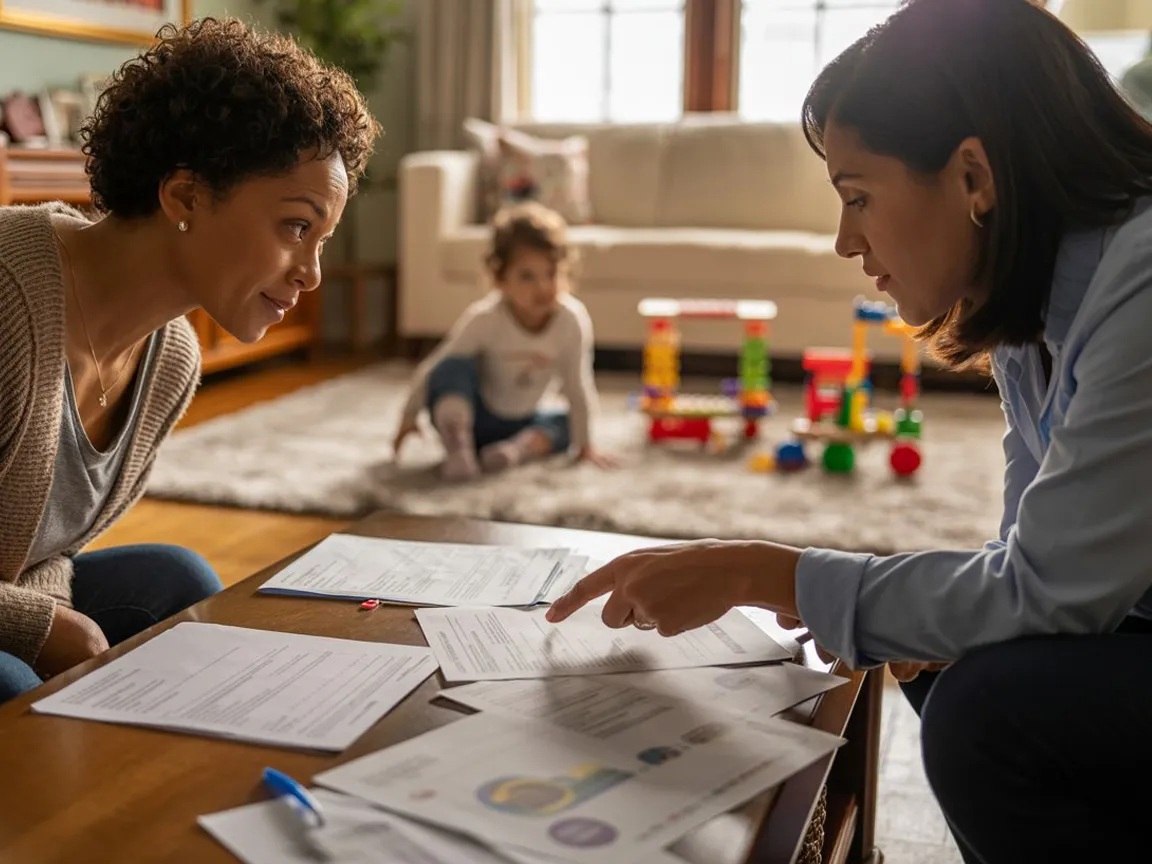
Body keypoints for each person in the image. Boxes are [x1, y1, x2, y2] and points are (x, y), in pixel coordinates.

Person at [547, 0, 1152, 860]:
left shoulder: (1142, 278)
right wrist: (889, 612)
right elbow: (1030, 556)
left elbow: (1049, 594)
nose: (843, 240)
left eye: (858, 196)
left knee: (985, 710)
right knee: (941, 658)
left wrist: (765, 571)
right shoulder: (1036, 309)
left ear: (974, 176)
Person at [0, 18, 380, 703]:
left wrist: (49, 618)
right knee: (9, 680)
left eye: (321, 239)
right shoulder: (8, 300)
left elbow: (39, 545)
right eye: (297, 226)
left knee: (178, 582)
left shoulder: (169, 359)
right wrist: (36, 629)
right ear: (185, 196)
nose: (311, 274)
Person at [393, 201, 617, 480]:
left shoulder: (571, 320)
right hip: (473, 420)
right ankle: (459, 451)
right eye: (527, 277)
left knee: (567, 423)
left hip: (523, 423)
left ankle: (515, 450)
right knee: (451, 368)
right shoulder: (486, 317)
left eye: (551, 273)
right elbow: (435, 367)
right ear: (500, 278)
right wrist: (408, 416)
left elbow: (578, 386)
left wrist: (586, 446)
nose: (543, 288)